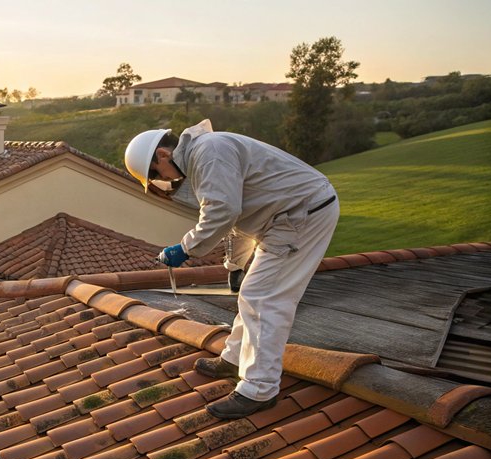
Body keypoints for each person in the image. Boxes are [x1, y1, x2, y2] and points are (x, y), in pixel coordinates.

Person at [124, 119, 340, 419]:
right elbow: (238, 220)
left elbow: (223, 212)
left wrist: (185, 248)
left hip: (301, 214)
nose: (166, 181)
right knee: (252, 292)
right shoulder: (206, 155)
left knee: (264, 298)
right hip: (285, 218)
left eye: (157, 174)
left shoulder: (209, 152)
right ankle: (236, 357)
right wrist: (235, 264)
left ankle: (259, 389)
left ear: (163, 155)